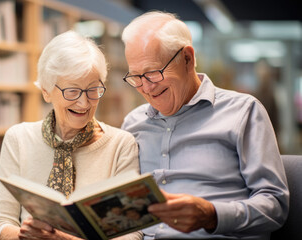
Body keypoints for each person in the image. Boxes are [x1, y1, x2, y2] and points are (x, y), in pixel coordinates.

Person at [120, 11, 289, 239]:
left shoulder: (243, 112)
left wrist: (212, 215)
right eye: (136, 77)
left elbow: (274, 205)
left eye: (152, 73)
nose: (145, 87)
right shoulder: (133, 123)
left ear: (187, 59)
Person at [0, 30, 142, 240]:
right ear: (46, 91)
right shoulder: (18, 138)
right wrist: (25, 236)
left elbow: (132, 235)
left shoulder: (121, 145)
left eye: (93, 89)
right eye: (72, 91)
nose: (84, 103)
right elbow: (0, 221)